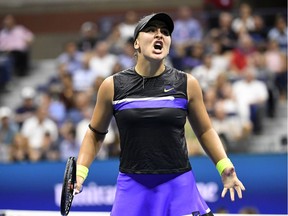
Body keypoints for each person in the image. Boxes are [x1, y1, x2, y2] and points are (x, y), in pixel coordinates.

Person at [75, 12, 245, 216]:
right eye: (151, 30)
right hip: (132, 185)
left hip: (178, 183)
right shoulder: (112, 86)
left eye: (165, 32)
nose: (159, 35)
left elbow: (205, 130)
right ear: (136, 43)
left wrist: (224, 165)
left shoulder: (187, 83)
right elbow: (95, 133)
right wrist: (80, 171)